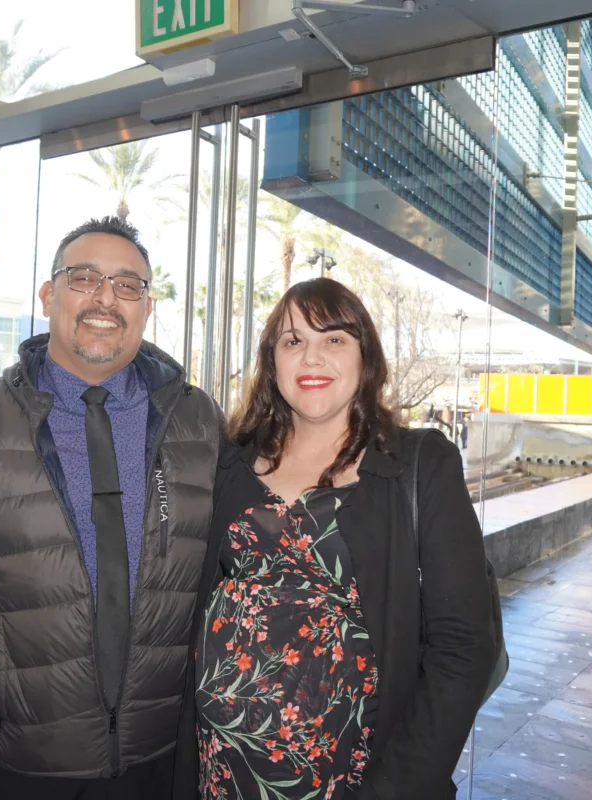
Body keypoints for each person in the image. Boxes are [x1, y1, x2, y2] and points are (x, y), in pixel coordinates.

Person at [0, 217, 222, 800]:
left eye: (128, 285)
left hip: (164, 761)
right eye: (85, 278)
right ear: (48, 295)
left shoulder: (198, 422)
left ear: (147, 308)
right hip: (18, 766)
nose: (106, 297)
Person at [174, 279, 496, 799]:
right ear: (272, 361)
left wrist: (399, 787)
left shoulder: (419, 465)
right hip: (222, 772)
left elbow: (463, 648)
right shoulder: (229, 463)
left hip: (355, 779)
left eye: (335, 339)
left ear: (364, 357)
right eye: (293, 341)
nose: (312, 357)